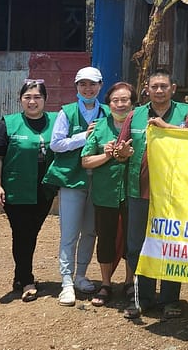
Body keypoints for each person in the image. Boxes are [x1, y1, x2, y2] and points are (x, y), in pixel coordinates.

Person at [123, 69, 188, 320]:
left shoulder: (185, 113)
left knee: (172, 245)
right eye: (154, 86)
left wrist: (166, 127)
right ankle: (142, 298)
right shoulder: (135, 114)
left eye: (164, 86)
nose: (159, 90)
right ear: (147, 89)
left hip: (174, 192)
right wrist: (120, 153)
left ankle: (170, 299)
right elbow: (122, 147)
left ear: (173, 89)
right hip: (140, 190)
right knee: (137, 246)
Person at [0, 79, 58, 303]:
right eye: (27, 97)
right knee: (22, 233)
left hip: (44, 189)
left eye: (37, 97)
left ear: (45, 100)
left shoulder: (57, 120)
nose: (32, 101)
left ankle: (20, 277)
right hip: (16, 189)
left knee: (31, 232)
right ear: (20, 100)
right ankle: (26, 280)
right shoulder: (9, 124)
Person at [45, 66, 106, 306]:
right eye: (83, 84)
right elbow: (56, 144)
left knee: (90, 231)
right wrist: (84, 137)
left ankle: (81, 275)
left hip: (98, 179)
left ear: (100, 86)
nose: (88, 89)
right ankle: (66, 282)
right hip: (72, 179)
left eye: (92, 84)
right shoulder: (67, 112)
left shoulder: (107, 112)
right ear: (76, 87)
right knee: (69, 233)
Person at [81, 82, 135, 308]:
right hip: (105, 193)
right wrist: (108, 155)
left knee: (133, 240)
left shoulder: (140, 126)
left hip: (133, 193)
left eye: (125, 100)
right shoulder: (100, 127)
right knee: (105, 239)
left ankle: (130, 282)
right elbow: (86, 161)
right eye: (115, 100)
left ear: (132, 103)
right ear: (108, 104)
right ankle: (105, 283)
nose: (120, 104)